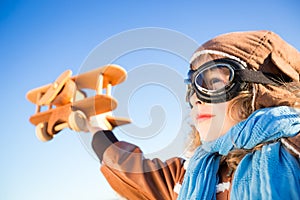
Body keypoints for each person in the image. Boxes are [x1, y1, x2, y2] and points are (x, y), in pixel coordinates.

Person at [88, 30, 300, 200]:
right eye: (192, 86)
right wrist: (95, 125)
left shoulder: (295, 151)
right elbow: (126, 167)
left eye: (213, 83)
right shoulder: (187, 178)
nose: (194, 99)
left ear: (260, 91)